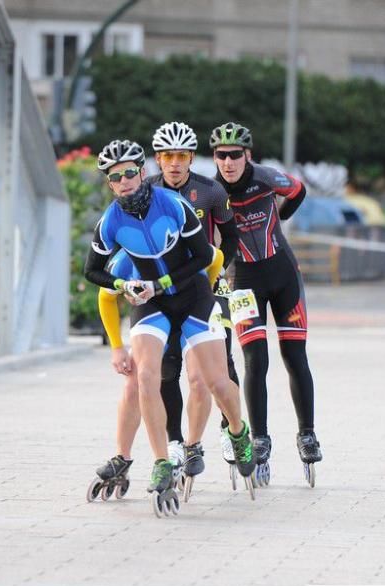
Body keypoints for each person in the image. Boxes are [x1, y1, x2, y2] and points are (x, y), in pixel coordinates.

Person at [84, 139, 257, 514]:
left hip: (192, 295)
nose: (125, 181)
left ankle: (239, 431)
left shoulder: (173, 205)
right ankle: (163, 461)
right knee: (144, 377)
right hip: (151, 304)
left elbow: (206, 257)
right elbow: (92, 274)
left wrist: (177, 287)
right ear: (110, 184)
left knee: (214, 381)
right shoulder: (111, 222)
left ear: (142, 172)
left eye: (131, 172)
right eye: (116, 177)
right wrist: (122, 289)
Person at [210, 121, 323, 486]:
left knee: (295, 356)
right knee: (255, 360)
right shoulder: (211, 192)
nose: (228, 162)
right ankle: (259, 439)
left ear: (248, 155)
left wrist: (282, 216)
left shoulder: (265, 178)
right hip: (242, 282)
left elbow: (299, 190)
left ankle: (307, 433)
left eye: (234, 155)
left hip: (283, 274)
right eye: (220, 155)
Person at [146, 121, 243, 483]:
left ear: (191, 158)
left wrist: (218, 268)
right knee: (168, 367)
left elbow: (231, 236)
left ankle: (229, 429)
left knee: (222, 364)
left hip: (207, 285)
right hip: (166, 290)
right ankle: (176, 442)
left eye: (182, 156)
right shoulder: (147, 191)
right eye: (168, 156)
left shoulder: (211, 191)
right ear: (158, 158)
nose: (174, 163)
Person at [88, 245, 224, 504]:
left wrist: (209, 286)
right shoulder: (127, 258)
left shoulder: (184, 246)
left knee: (199, 379)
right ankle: (122, 457)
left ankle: (192, 446)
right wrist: (117, 347)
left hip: (192, 309)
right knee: (135, 381)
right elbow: (106, 298)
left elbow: (216, 257)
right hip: (156, 315)